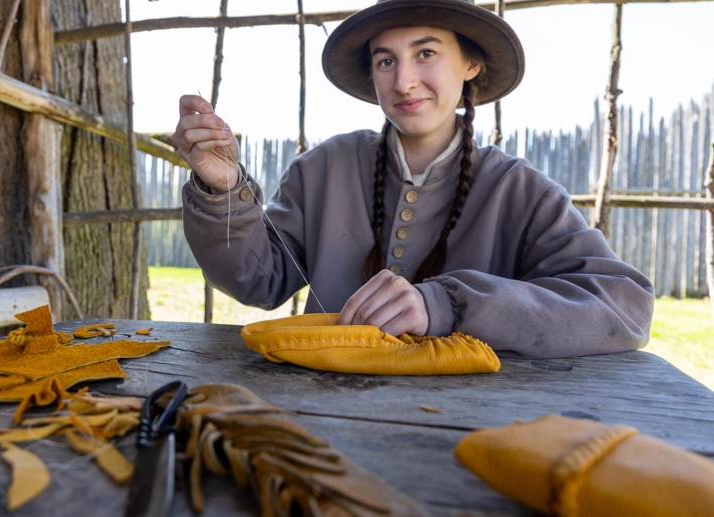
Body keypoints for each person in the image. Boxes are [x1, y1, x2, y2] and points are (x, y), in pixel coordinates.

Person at [173, 0, 654, 358]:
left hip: (473, 428)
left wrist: (446, 305)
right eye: (386, 61)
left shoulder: (519, 192)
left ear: (470, 64)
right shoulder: (324, 170)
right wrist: (223, 190)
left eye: (425, 53)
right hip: (322, 414)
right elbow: (259, 280)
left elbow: (623, 309)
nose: (403, 81)